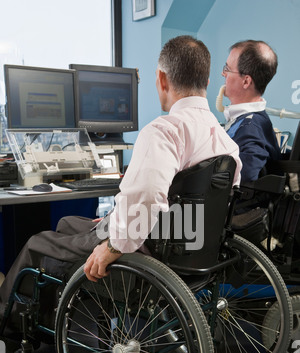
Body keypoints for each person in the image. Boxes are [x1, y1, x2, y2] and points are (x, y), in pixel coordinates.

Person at [0, 35, 242, 323]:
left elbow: (148, 196)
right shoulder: (224, 139)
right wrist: (117, 219)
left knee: (38, 242)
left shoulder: (165, 131)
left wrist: (114, 244)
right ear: (206, 79)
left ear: (162, 79)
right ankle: (54, 314)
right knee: (67, 224)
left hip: (149, 248)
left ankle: (8, 321)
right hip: (190, 244)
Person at [221, 40, 281, 182]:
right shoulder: (249, 122)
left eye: (227, 69)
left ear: (246, 81)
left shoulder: (250, 128)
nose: (223, 74)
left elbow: (244, 180)